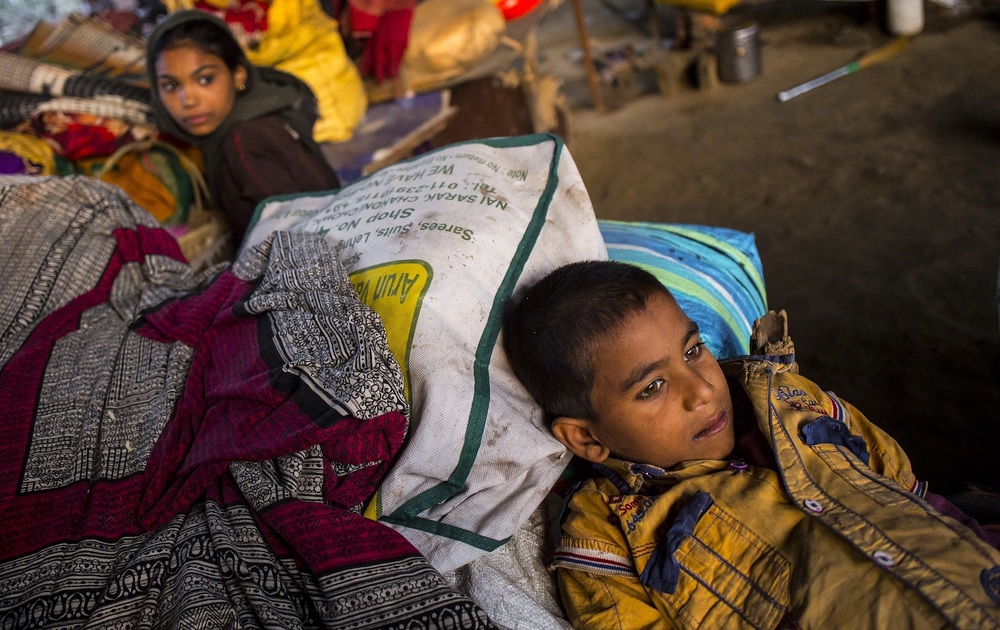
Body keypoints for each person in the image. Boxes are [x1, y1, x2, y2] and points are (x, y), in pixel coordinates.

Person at [502, 260, 1000, 629]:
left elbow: (898, 483)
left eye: (694, 350)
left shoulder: (786, 396)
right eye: (652, 387)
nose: (702, 389)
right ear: (587, 438)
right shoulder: (607, 529)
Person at [146, 10, 341, 245]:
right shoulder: (253, 123)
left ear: (238, 75)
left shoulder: (244, 142)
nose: (188, 100)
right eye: (170, 85)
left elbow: (296, 243)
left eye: (205, 79)